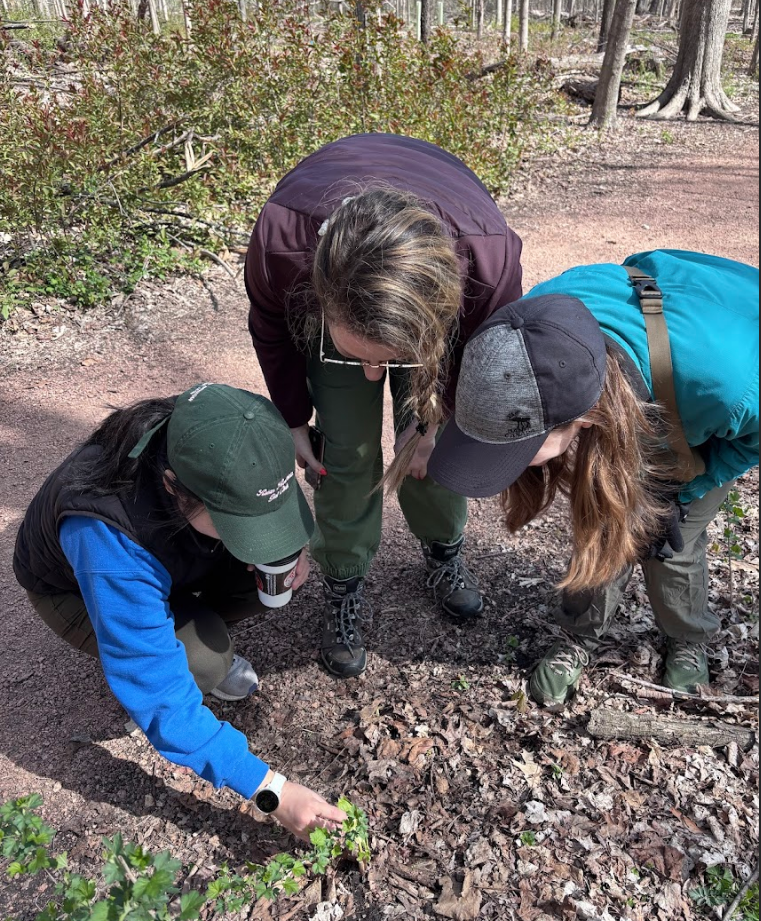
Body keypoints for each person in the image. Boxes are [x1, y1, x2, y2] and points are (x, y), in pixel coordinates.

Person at [245, 133, 524, 679]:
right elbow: (271, 328)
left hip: (439, 301)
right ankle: (344, 579)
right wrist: (294, 419)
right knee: (342, 452)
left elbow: (484, 357)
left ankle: (444, 551)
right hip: (332, 281)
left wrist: (431, 423)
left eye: (388, 361)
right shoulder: (283, 240)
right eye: (363, 358)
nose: (376, 375)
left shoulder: (488, 257)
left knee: (434, 452)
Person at [13, 383, 347, 838]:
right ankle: (163, 640)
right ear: (173, 485)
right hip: (71, 591)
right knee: (203, 663)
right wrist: (273, 791)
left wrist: (284, 543)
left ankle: (176, 617)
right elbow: (162, 700)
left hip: (169, 547)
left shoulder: (216, 433)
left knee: (265, 584)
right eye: (235, 522)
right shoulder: (106, 533)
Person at [428, 249, 759, 708]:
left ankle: (688, 636)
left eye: (519, 451)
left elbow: (751, 440)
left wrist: (690, 489)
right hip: (643, 364)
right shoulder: (520, 330)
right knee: (604, 521)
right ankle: (579, 634)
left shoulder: (730, 386)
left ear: (582, 419)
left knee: (671, 541)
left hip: (710, 365)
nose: (511, 466)